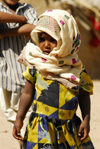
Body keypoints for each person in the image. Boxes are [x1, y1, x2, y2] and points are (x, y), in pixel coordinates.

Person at [13, 9, 94, 149]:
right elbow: (27, 93)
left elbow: (83, 95)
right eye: (42, 39)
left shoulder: (76, 69)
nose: (46, 44)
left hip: (68, 130)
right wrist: (19, 118)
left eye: (52, 40)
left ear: (66, 40)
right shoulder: (36, 65)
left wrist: (86, 120)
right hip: (41, 129)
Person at [0, 0, 38, 148]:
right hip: (5, 73)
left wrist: (5, 32)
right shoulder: (22, 13)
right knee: (11, 114)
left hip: (27, 73)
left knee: (28, 116)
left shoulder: (27, 8)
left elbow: (34, 28)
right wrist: (21, 19)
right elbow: (27, 24)